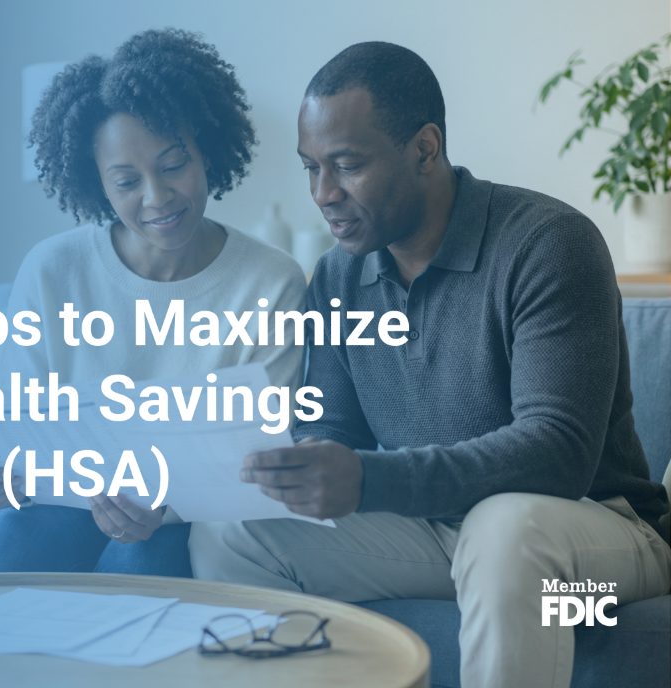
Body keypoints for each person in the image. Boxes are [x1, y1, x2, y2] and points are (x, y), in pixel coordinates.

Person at [189, 42, 671, 688]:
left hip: (597, 540)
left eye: (347, 165)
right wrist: (302, 468)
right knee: (232, 534)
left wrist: (368, 478)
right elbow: (336, 430)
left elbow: (558, 454)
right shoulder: (337, 277)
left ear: (424, 148)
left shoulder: (547, 243)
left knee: (504, 531)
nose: (323, 194)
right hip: (442, 535)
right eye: (310, 169)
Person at [0, 29, 307, 577]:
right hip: (65, 503)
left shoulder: (271, 282)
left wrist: (163, 506)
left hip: (187, 516)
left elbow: (256, 463)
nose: (157, 197)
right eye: (126, 181)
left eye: (173, 167)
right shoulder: (52, 269)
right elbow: (13, 429)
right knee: (1, 549)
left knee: (141, 561)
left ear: (207, 152)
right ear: (97, 185)